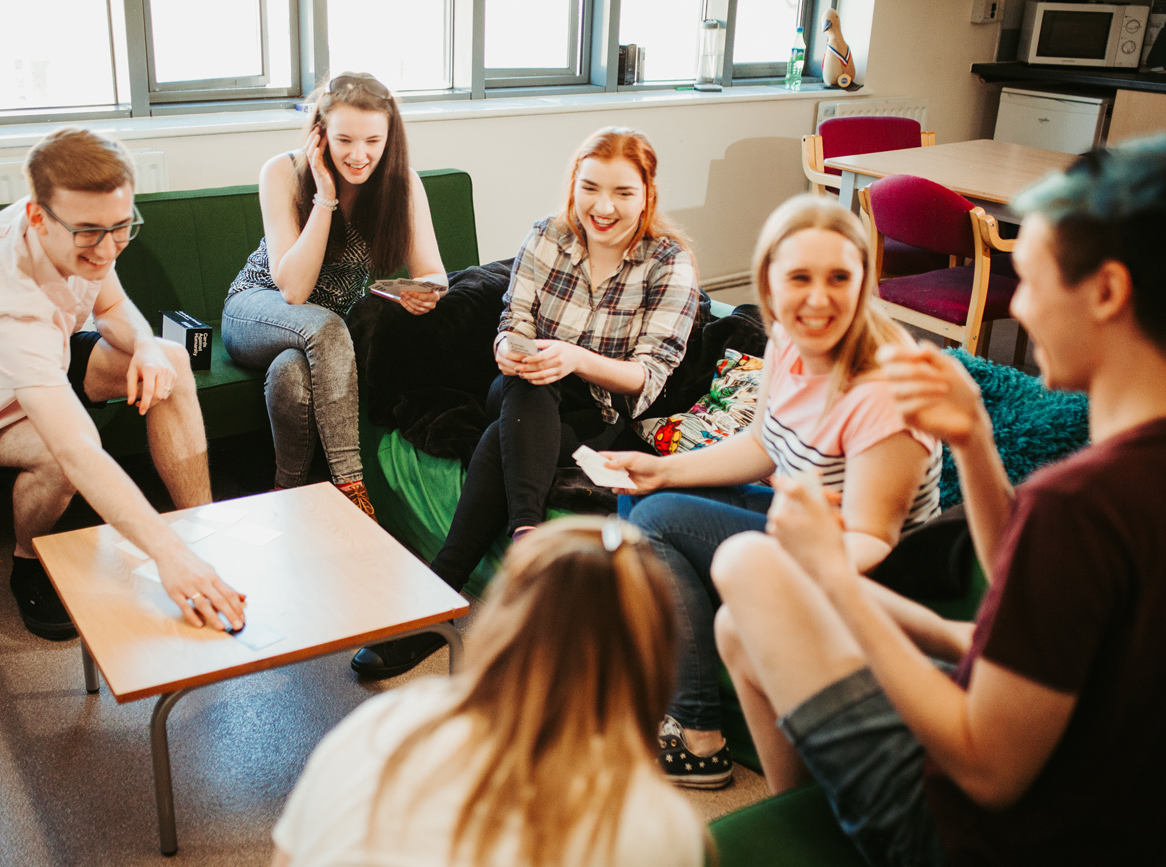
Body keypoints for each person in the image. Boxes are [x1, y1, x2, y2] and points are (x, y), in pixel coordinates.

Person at [711, 137, 1166, 865]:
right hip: (1070, 769)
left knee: (746, 561)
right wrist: (975, 442)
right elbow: (1027, 571)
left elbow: (987, 768)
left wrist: (832, 578)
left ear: (1107, 292)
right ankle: (805, 812)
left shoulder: (1081, 501)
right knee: (738, 626)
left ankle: (842, 833)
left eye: (1033, 273)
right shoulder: (1120, 481)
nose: (1018, 301)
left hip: (971, 828)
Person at [604, 194, 942, 789]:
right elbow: (762, 444)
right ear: (769, 282)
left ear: (867, 281)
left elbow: (874, 542)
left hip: (866, 566)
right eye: (800, 278)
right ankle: (688, 692)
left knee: (654, 522)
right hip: (799, 523)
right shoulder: (787, 340)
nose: (818, 298)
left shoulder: (883, 387)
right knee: (636, 497)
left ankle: (697, 729)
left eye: (840, 277)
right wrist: (664, 468)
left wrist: (772, 562)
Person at [351, 127, 702, 678]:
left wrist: (575, 358)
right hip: (518, 388)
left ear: (647, 194)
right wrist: (507, 350)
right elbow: (511, 322)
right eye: (589, 188)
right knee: (529, 388)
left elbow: (648, 375)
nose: (602, 207)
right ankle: (530, 546)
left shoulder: (668, 262)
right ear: (573, 185)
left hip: (602, 411)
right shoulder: (548, 236)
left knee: (501, 438)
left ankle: (442, 592)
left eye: (622, 193)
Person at [0, 128, 244, 641]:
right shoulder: (4, 308)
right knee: (56, 457)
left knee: (169, 359)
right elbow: (78, 450)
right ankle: (31, 560)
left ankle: (201, 529)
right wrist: (165, 555)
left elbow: (112, 306)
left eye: (122, 227)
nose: (107, 247)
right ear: (36, 217)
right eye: (90, 232)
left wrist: (142, 345)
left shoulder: (76, 224)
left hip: (40, 352)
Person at [271, 515, 707, 867]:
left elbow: (287, 855)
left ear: (499, 619)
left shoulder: (382, 720)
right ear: (655, 661)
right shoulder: (654, 824)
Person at [222, 72, 446, 515]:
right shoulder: (282, 172)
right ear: (320, 136)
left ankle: (287, 493)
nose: (358, 155)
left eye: (372, 141)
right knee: (324, 326)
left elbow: (434, 274)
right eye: (344, 140)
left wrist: (409, 292)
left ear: (389, 139)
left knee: (291, 371)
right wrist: (325, 197)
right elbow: (293, 290)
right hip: (257, 309)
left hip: (326, 335)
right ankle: (351, 488)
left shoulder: (404, 185)